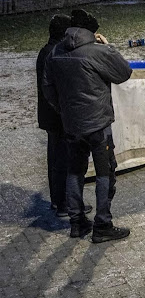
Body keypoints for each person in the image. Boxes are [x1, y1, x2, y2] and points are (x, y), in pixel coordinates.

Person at [42, 9, 133, 243]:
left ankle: (77, 222)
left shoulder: (55, 52)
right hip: (98, 124)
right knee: (105, 173)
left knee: (75, 171)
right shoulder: (98, 51)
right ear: (91, 32)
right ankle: (103, 224)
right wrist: (109, 46)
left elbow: (48, 88)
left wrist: (64, 110)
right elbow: (124, 72)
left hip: (71, 125)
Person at [36, 14, 93, 218]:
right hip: (59, 116)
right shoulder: (55, 53)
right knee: (64, 161)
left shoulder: (46, 51)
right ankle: (64, 204)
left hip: (50, 115)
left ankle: (57, 200)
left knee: (55, 159)